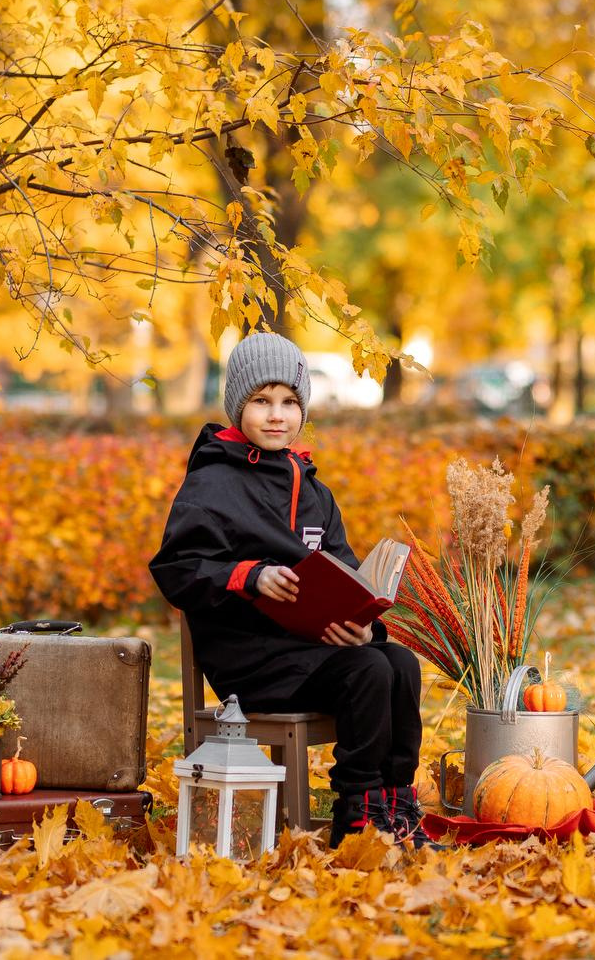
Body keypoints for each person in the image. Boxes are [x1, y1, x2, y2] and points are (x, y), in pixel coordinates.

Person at [151, 332, 429, 847]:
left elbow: (345, 571)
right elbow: (178, 567)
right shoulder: (211, 484)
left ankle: (395, 802)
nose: (276, 415)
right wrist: (250, 575)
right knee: (369, 670)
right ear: (238, 405)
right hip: (252, 661)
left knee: (397, 662)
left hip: (314, 649)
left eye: (289, 402)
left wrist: (363, 622)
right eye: (261, 401)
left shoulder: (314, 491)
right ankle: (357, 812)